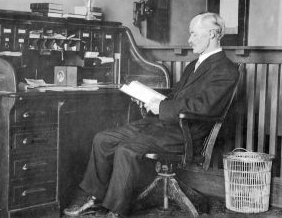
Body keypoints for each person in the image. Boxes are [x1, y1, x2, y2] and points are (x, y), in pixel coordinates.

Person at [63, 12, 239, 217]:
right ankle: (95, 199)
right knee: (103, 139)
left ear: (211, 34)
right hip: (164, 125)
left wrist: (162, 107)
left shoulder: (226, 69)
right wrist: (151, 100)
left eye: (193, 34)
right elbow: (177, 96)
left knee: (127, 148)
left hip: (186, 134)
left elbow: (205, 107)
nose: (189, 40)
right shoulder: (194, 64)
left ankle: (115, 211)